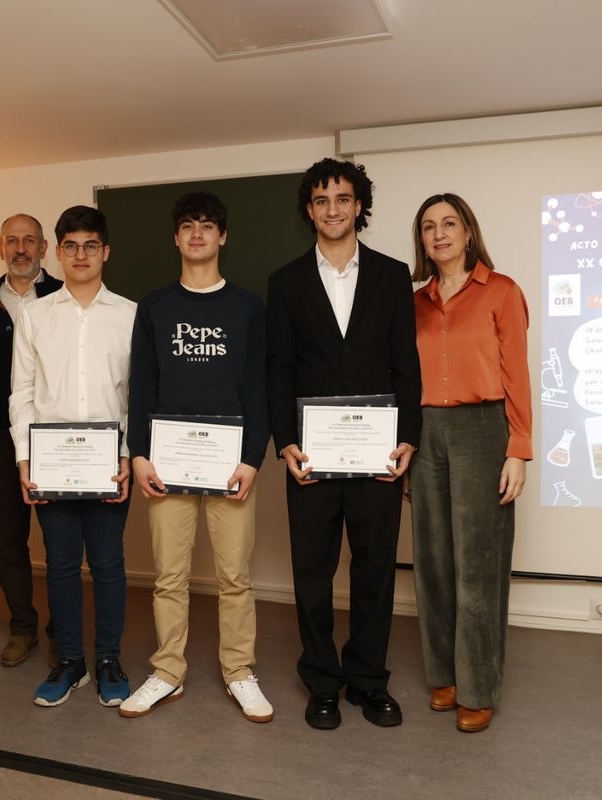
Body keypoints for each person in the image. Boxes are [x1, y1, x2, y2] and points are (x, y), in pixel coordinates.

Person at [266, 158, 422, 731]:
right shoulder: (285, 281)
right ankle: (323, 681)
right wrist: (285, 442)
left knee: (376, 569)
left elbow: (406, 363)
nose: (333, 209)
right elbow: (278, 369)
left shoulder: (391, 274)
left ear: (359, 206)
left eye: (343, 199)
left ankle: (368, 680)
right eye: (321, 200)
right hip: (310, 456)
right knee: (312, 571)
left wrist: (408, 439)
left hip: (379, 454)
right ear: (309, 209)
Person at [120, 192, 273, 723]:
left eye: (207, 226)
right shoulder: (156, 306)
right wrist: (139, 455)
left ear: (222, 237)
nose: (197, 234)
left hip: (231, 466)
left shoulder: (249, 307)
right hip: (168, 465)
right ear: (176, 238)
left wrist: (252, 458)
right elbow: (143, 387)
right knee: (169, 577)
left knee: (235, 578)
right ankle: (167, 672)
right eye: (188, 226)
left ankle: (239, 672)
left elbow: (259, 387)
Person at [407, 192, 531, 734]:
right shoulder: (415, 302)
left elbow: (518, 376)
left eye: (449, 223)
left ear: (468, 231)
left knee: (478, 567)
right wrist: (407, 445)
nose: (439, 234)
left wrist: (519, 449)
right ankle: (446, 676)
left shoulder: (502, 292)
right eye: (429, 226)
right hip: (427, 431)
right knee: (433, 561)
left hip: (484, 429)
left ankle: (478, 687)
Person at [8, 206, 136, 707]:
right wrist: (25, 459)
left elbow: (138, 397)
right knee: (59, 565)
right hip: (52, 467)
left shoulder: (130, 314)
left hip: (111, 466)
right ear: (56, 252)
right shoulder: (33, 315)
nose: (80, 255)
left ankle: (107, 659)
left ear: (105, 252)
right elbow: (22, 392)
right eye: (70, 246)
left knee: (108, 564)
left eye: (90, 246)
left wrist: (129, 457)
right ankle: (70, 662)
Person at [0, 214, 64, 668]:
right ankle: (23, 627)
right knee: (9, 538)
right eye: (12, 241)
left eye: (30, 240)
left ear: (45, 248)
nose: (21, 248)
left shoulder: (64, 296)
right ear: (0, 247)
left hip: (51, 433)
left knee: (58, 535)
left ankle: (59, 631)